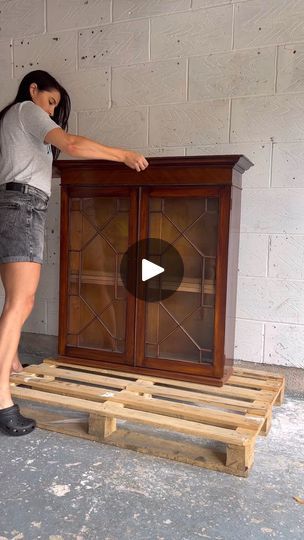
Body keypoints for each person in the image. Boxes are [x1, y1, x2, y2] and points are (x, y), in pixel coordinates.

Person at [0, 70, 149, 436]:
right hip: (22, 205)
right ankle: (1, 399)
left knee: (20, 300)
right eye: (50, 101)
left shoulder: (18, 121)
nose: (51, 110)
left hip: (20, 205)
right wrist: (123, 155)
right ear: (33, 89)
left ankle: (9, 361)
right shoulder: (26, 110)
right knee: (22, 300)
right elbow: (73, 144)